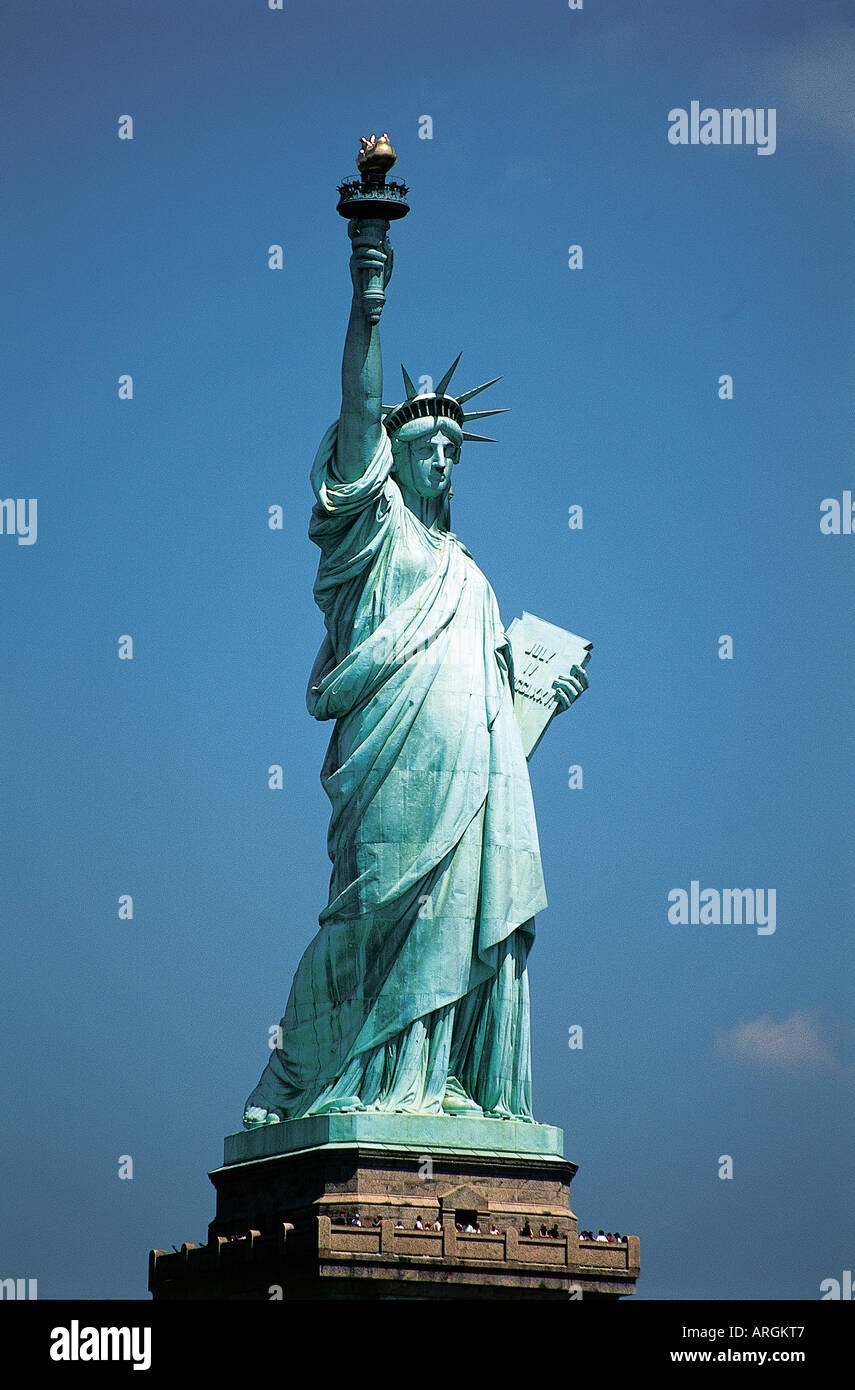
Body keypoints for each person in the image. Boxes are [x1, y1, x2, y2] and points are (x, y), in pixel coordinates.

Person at [243, 216, 587, 1128]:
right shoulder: (374, 529)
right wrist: (369, 290)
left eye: (451, 446)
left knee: (464, 912)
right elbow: (360, 407)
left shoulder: (470, 571)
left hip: (475, 780)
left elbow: (494, 707)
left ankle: (444, 1088)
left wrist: (540, 695)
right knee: (372, 913)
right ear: (391, 459)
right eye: (421, 443)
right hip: (391, 766)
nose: (438, 453)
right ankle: (341, 1080)